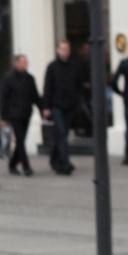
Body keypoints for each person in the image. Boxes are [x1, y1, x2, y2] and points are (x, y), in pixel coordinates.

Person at [42, 40, 80, 175]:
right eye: (63, 49)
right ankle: (64, 162)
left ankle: (55, 160)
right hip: (56, 105)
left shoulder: (74, 66)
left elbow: (77, 85)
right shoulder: (52, 67)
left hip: (69, 105)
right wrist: (45, 107)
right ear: (58, 50)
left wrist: (76, 101)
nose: (65, 51)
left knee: (61, 135)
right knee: (62, 134)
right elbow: (47, 87)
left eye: (67, 49)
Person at [0, 54, 40, 176]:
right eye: (23, 62)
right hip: (14, 114)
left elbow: (35, 96)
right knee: (20, 140)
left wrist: (43, 109)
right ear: (16, 63)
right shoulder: (9, 79)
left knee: (21, 141)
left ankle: (12, 164)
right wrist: (3, 117)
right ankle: (26, 166)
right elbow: (4, 98)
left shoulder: (29, 78)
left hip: (26, 113)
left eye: (26, 62)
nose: (25, 65)